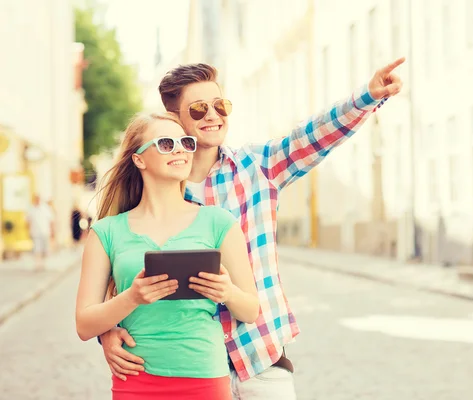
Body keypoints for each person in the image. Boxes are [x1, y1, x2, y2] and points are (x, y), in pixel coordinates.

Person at [99, 58, 405, 399]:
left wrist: (366, 96)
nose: (213, 115)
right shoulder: (152, 186)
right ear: (176, 119)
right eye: (199, 109)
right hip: (187, 368)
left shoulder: (256, 167)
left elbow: (312, 137)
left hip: (258, 356)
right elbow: (117, 268)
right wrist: (107, 330)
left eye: (220, 105)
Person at [75, 112, 259, 400]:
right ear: (139, 159)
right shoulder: (106, 232)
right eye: (165, 143)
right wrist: (132, 297)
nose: (180, 150)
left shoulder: (218, 222)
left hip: (204, 376)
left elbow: (250, 310)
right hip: (135, 377)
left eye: (185, 143)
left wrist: (228, 292)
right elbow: (84, 325)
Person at [26, 195, 54, 271]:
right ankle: (38, 264)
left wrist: (52, 231)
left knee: (44, 249)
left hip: (45, 232)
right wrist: (28, 231)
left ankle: (43, 263)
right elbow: (28, 221)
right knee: (37, 249)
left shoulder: (45, 208)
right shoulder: (31, 209)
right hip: (35, 232)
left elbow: (51, 221)